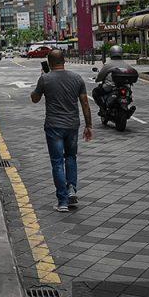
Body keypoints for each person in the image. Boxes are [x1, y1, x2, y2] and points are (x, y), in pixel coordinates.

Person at [31, 49, 93, 212]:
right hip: (72, 125)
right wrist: (89, 125)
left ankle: (63, 201)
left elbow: (34, 99)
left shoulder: (45, 79)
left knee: (57, 162)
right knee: (71, 157)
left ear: (50, 63)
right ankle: (71, 190)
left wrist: (41, 77)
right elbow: (85, 104)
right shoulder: (77, 78)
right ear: (63, 61)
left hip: (53, 126)